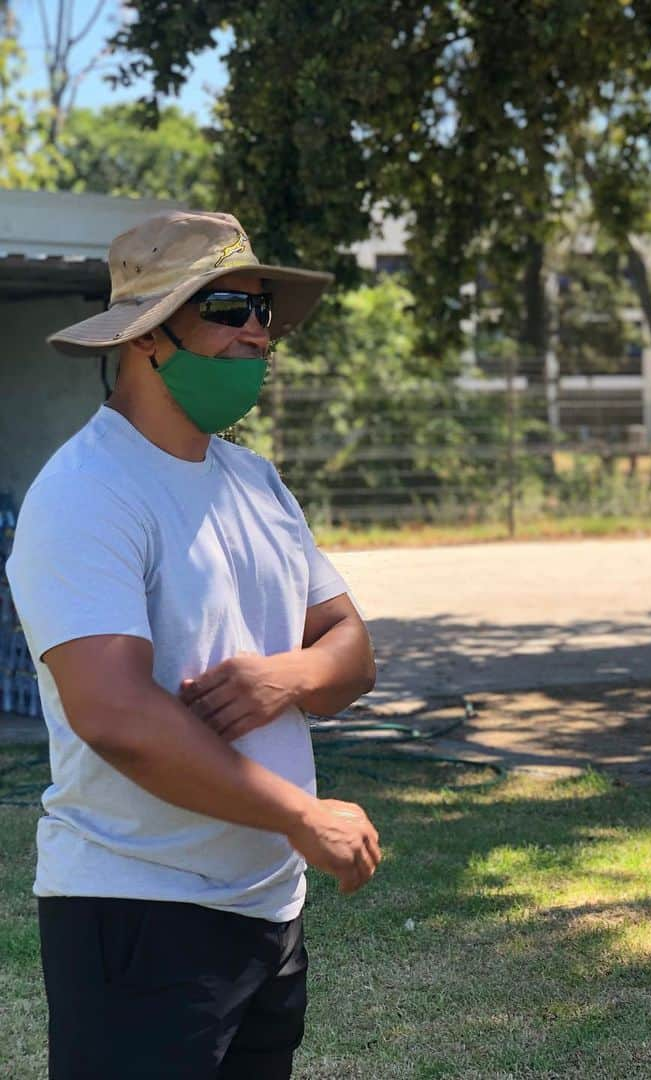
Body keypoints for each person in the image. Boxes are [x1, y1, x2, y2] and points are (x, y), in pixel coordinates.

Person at [7, 210, 382, 1079]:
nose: (258, 332)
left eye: (263, 311)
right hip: (138, 914)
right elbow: (116, 714)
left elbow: (351, 649)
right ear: (146, 334)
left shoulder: (255, 480)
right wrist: (303, 818)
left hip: (266, 908)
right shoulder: (86, 493)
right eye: (226, 307)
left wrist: (288, 677)